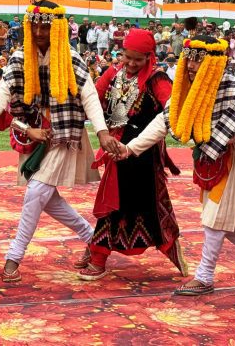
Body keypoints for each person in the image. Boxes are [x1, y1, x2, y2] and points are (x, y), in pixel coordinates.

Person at [0, 0, 118, 283]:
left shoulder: (71, 58)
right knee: (46, 197)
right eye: (35, 26)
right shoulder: (20, 56)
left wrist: (102, 132)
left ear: (57, 29)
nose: (39, 32)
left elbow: (89, 95)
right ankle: (93, 239)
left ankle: (14, 256)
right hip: (34, 134)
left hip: (64, 134)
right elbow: (3, 89)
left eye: (45, 26)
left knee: (36, 192)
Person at [122, 36, 235, 296]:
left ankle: (204, 276)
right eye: (190, 59)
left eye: (199, 60)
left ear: (214, 63)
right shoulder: (185, 87)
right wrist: (130, 148)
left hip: (234, 161)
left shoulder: (233, 88)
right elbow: (165, 121)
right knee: (228, 224)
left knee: (215, 220)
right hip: (208, 160)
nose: (192, 65)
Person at [77, 29, 185, 281]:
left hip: (142, 154)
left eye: (138, 59)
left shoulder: (157, 80)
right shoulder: (113, 73)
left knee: (136, 204)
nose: (132, 63)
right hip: (116, 150)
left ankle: (98, 254)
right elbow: (93, 97)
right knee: (117, 202)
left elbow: (171, 109)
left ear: (149, 57)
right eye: (128, 57)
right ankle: (98, 252)